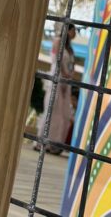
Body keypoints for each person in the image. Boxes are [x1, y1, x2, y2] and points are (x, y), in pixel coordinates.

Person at [35, 22, 77, 155]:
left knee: (63, 113)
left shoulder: (70, 48)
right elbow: (56, 59)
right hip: (58, 76)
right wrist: (64, 73)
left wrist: (69, 74)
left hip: (66, 79)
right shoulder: (58, 41)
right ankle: (42, 142)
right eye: (73, 31)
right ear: (68, 31)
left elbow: (71, 63)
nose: (75, 34)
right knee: (52, 110)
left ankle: (55, 144)